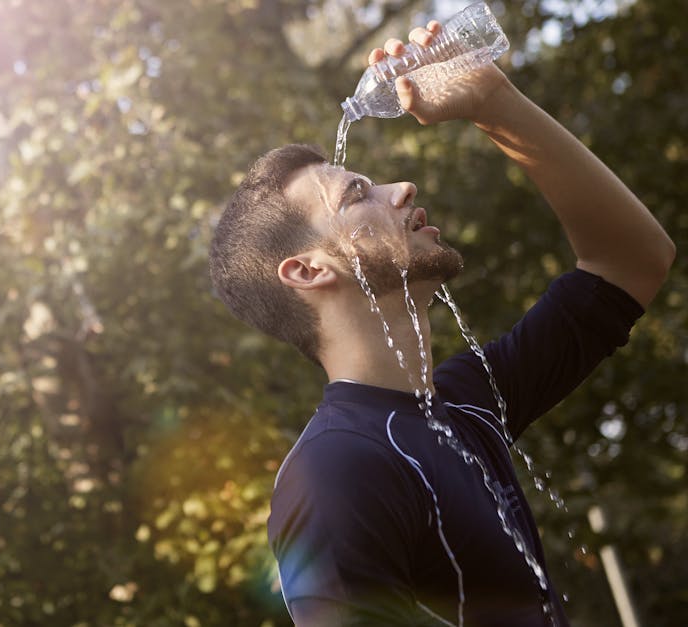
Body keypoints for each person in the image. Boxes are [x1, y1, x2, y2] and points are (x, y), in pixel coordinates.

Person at [208, 18, 675, 627]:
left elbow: (632, 261)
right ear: (307, 271)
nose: (402, 188)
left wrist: (493, 101)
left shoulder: (467, 402)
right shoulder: (334, 472)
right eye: (357, 195)